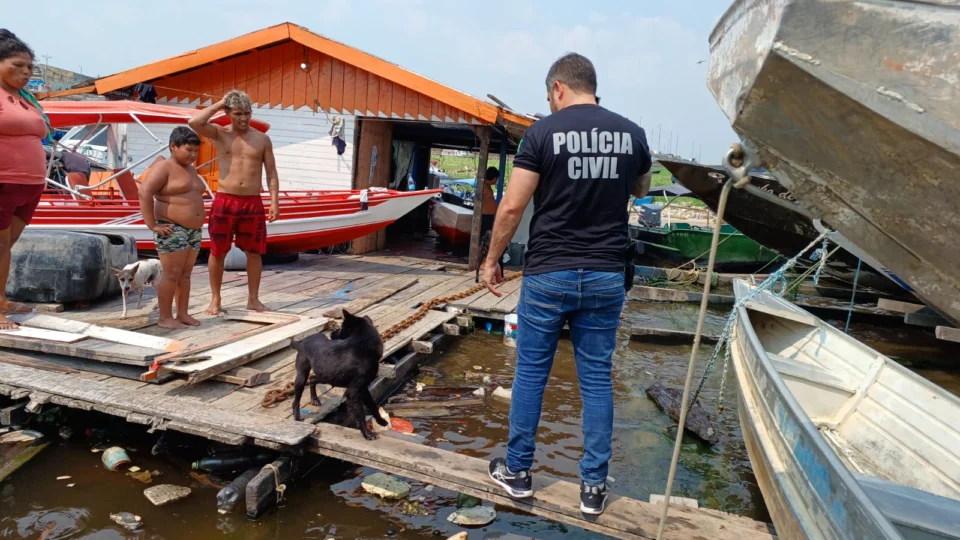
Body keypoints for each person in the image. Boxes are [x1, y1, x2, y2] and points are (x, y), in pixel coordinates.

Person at [481, 53, 651, 515]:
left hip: (550, 272)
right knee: (596, 379)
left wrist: (492, 260)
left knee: (531, 373)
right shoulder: (632, 133)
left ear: (558, 88)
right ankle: (593, 488)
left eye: (548, 97)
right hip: (606, 273)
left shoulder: (541, 134)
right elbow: (641, 190)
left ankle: (518, 472)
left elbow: (512, 206)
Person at [188, 90, 279, 314]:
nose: (244, 118)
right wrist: (220, 103)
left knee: (254, 252)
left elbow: (271, 173)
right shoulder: (220, 133)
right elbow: (194, 122)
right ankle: (215, 299)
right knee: (218, 251)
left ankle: (253, 299)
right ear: (228, 113)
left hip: (252, 202)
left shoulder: (262, 139)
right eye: (238, 113)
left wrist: (274, 202)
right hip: (225, 199)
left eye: (247, 113)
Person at [0, 30, 51, 330]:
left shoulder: (27, 99)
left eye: (30, 67)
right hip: (3, 181)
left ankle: (1, 300)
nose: (26, 72)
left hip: (29, 185)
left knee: (7, 246)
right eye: (17, 65)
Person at [138, 127, 206, 329]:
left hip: (193, 231)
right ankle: (165, 317)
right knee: (172, 274)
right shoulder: (164, 167)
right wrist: (152, 224)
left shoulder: (190, 169)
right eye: (189, 150)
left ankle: (182, 313)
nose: (193, 155)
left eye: (196, 151)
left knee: (185, 274)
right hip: (172, 228)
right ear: (173, 146)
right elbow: (144, 192)